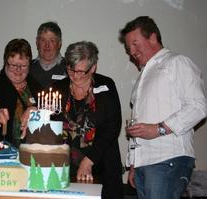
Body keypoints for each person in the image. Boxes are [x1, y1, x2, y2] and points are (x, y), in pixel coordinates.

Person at [119, 16, 207, 199]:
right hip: (145, 164)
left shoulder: (177, 62)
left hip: (168, 158)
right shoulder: (144, 76)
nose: (132, 52)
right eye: (129, 48)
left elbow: (199, 106)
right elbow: (140, 125)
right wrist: (134, 164)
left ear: (152, 37)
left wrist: (159, 128)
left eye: (135, 44)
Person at [53, 41, 124, 199]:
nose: (75, 75)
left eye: (81, 71)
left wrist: (89, 161)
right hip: (65, 169)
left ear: (93, 68)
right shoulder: (59, 88)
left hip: (102, 166)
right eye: (71, 70)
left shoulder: (106, 86)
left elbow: (113, 127)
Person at [0, 38, 41, 148]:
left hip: (31, 155)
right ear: (5, 62)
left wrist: (37, 112)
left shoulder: (36, 87)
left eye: (23, 66)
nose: (18, 70)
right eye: (13, 65)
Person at [29, 21, 67, 89]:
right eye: (43, 40)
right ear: (37, 43)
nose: (47, 45)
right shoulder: (26, 69)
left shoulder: (70, 69)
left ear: (59, 44)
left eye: (52, 41)